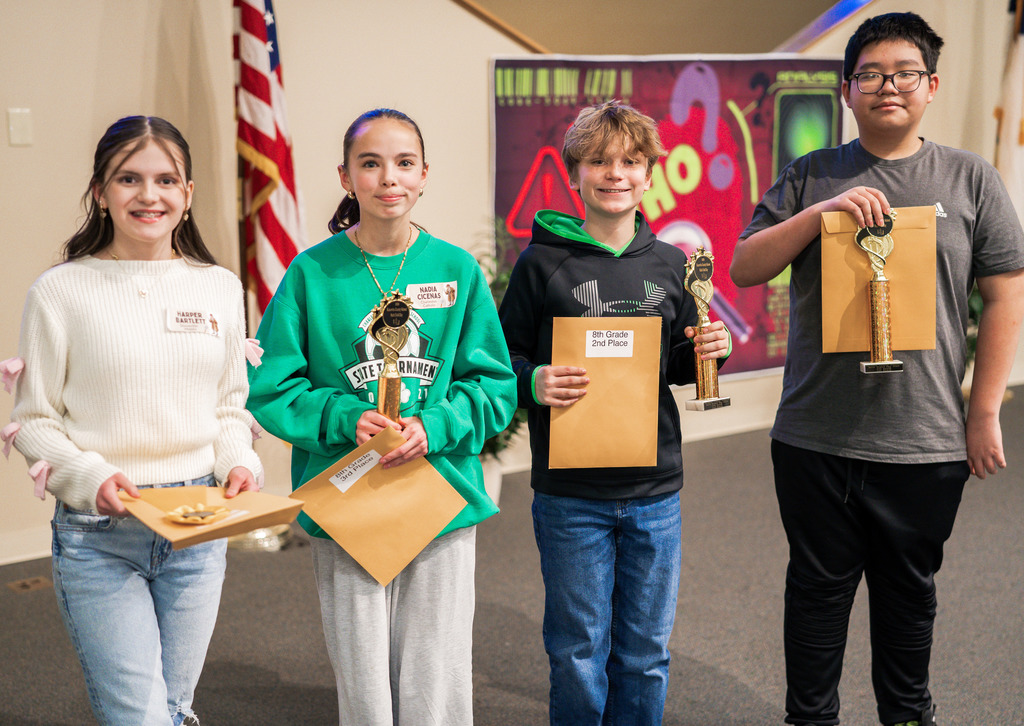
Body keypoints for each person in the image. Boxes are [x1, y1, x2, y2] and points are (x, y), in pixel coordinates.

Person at [730, 12, 1024, 726]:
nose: (886, 86)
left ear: (930, 86)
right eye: (869, 74)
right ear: (846, 90)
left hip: (922, 441)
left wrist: (982, 411)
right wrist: (822, 213)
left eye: (903, 73)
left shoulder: (969, 179)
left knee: (908, 604)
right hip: (814, 439)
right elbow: (743, 265)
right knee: (816, 599)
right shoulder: (810, 174)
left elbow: (1006, 294)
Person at [246, 107, 517, 726]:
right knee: (364, 678)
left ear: (424, 175)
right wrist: (344, 416)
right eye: (370, 164)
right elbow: (271, 387)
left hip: (440, 493)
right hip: (349, 498)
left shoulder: (456, 271)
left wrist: (437, 425)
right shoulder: (312, 272)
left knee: (436, 674)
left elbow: (495, 386)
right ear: (346, 176)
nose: (387, 178)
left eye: (403, 163)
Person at [8, 116, 263, 725]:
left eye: (166, 180)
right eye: (129, 179)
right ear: (100, 191)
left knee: (173, 710)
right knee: (139, 717)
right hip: (100, 535)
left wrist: (240, 462)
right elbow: (35, 419)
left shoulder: (221, 287)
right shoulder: (59, 291)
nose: (149, 196)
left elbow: (230, 406)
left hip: (199, 527)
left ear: (188, 193)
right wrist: (91, 475)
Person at [499, 100, 730, 725]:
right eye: (598, 161)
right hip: (570, 494)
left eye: (630, 161)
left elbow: (678, 366)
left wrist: (711, 352)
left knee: (646, 653)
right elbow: (501, 360)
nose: (615, 173)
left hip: (655, 490)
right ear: (574, 173)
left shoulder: (671, 265)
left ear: (650, 175)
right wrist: (533, 380)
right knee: (577, 651)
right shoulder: (540, 263)